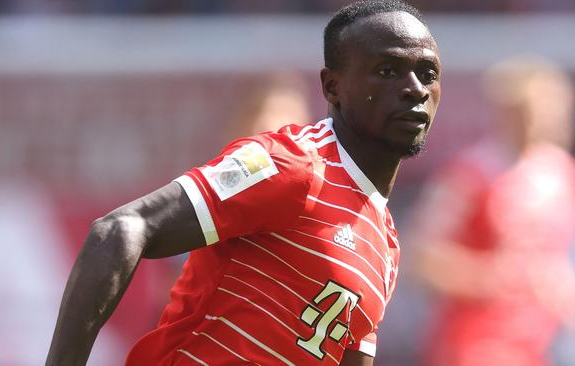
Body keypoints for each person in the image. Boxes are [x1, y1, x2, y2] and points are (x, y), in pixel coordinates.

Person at [46, 1, 442, 365]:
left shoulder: (385, 244)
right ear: (332, 87)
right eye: (387, 71)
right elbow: (119, 230)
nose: (415, 89)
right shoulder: (294, 166)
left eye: (427, 73)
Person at [411, 57, 575, 366]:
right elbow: (422, 258)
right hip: (477, 344)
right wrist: (488, 276)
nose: (543, 120)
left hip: (541, 343)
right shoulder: (468, 175)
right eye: (530, 110)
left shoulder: (560, 172)